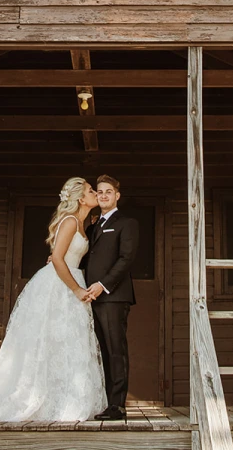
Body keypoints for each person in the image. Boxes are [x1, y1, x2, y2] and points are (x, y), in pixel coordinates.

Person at [0, 177, 107, 422]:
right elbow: (58, 259)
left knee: (67, 343)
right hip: (59, 286)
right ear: (81, 198)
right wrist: (77, 291)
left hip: (71, 281)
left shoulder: (82, 223)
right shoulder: (70, 221)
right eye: (92, 191)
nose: (95, 194)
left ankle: (65, 400)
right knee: (43, 343)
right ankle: (33, 399)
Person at [79, 174, 140, 421]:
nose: (103, 195)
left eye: (108, 191)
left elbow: (126, 259)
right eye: (100, 191)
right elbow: (87, 256)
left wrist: (102, 285)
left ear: (117, 196)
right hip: (89, 297)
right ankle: (104, 401)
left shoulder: (127, 223)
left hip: (113, 296)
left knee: (116, 350)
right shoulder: (93, 226)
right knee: (100, 350)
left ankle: (118, 405)